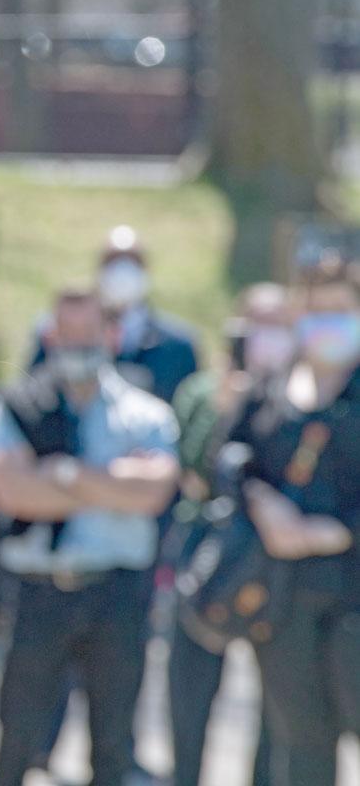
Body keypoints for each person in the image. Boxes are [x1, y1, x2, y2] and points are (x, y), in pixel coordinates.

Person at [0, 287, 179, 786]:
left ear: (110, 335)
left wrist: (64, 474)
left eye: (88, 334)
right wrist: (113, 485)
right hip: (38, 593)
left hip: (117, 593)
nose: (77, 345)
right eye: (66, 335)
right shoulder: (18, 404)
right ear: (50, 335)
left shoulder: (145, 412)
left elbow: (155, 492)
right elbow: (9, 491)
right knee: (16, 741)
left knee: (114, 745)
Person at [221, 259, 360, 785]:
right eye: (317, 311)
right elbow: (228, 457)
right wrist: (261, 503)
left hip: (353, 594)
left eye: (341, 311)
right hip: (283, 599)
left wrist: (342, 531)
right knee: (301, 742)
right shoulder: (272, 390)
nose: (328, 324)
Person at [167, 284, 292, 786]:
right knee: (190, 688)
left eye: (278, 325)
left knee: (277, 702)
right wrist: (227, 408)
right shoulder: (203, 391)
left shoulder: (299, 394)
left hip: (274, 558)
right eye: (256, 324)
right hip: (207, 552)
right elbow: (193, 473)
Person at [33, 226, 199, 404]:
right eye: (113, 260)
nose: (122, 272)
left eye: (133, 261)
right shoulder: (56, 332)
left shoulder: (178, 346)